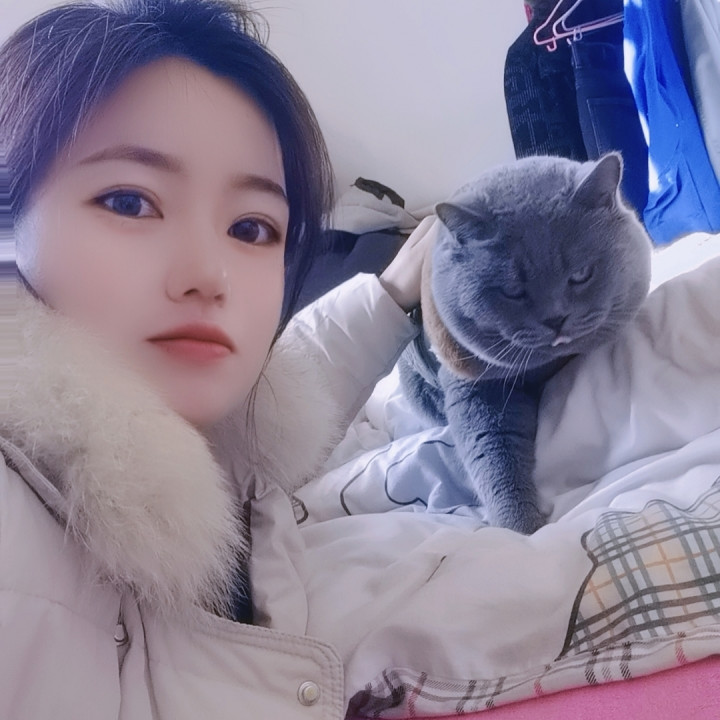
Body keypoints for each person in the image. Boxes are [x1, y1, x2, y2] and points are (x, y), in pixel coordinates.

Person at [0, 0, 432, 716]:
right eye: (130, 202)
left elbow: (282, 400)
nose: (209, 274)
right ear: (9, 226)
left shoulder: (199, 419)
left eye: (252, 228)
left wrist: (390, 295)